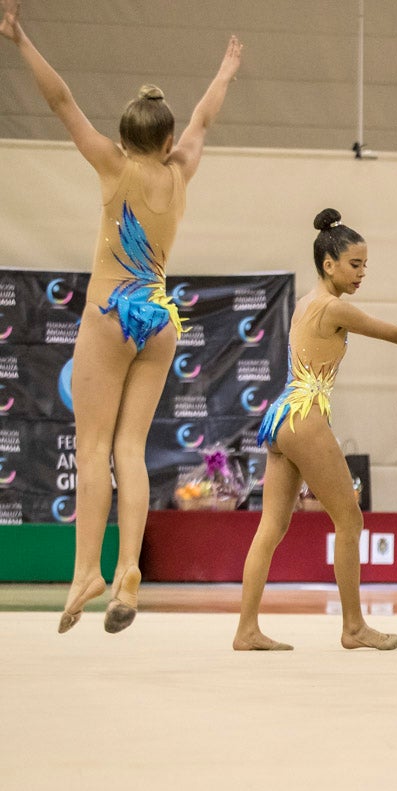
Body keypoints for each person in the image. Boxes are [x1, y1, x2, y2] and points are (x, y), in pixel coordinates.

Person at [2, 3, 243, 633]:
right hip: (159, 319)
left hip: (111, 314)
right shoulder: (180, 172)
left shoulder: (113, 166)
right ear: (166, 141)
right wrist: (225, 71)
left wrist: (20, 39)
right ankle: (130, 568)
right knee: (131, 449)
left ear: (123, 136)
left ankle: (87, 570)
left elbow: (61, 102)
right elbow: (204, 118)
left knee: (93, 448)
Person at [233, 210, 397, 651]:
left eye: (365, 265)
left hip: (282, 415)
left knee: (272, 525)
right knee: (350, 519)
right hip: (305, 415)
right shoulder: (333, 307)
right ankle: (354, 626)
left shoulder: (306, 302)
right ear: (329, 265)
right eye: (354, 265)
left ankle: (246, 630)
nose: (362, 273)